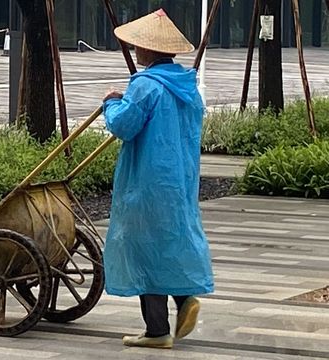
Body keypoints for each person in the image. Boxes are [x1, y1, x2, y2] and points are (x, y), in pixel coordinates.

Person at [102, 9, 214, 349]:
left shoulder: (146, 85)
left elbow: (124, 125)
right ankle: (184, 300)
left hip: (147, 182)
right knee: (169, 241)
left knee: (143, 248)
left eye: (139, 47)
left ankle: (157, 330)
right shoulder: (187, 86)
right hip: (179, 181)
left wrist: (110, 103)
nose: (136, 51)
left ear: (149, 51)